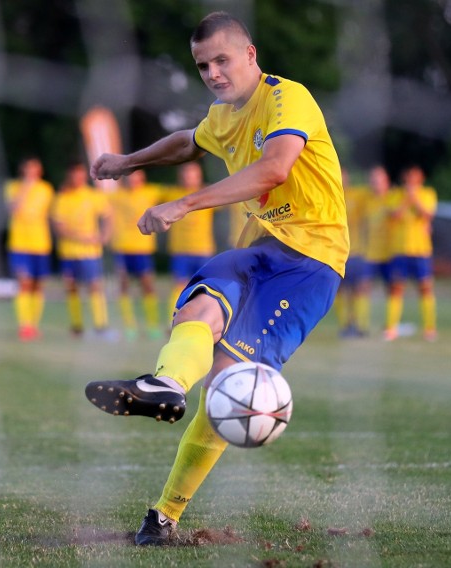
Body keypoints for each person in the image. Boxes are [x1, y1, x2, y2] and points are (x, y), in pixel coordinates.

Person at [84, 11, 349, 546]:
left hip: (312, 262)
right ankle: (165, 384)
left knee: (227, 383)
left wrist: (183, 204)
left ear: (250, 55)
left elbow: (275, 168)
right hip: (259, 248)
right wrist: (128, 162)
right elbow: (190, 140)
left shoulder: (286, 98)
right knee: (201, 302)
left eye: (222, 60)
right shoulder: (223, 115)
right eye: (203, 65)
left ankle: (165, 513)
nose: (213, 72)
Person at [51, 161, 115, 338]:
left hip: (90, 252)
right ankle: (76, 326)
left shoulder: (93, 196)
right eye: (74, 175)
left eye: (80, 175)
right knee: (71, 287)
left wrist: (105, 235)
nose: (77, 178)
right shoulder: (62, 198)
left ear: (84, 176)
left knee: (95, 286)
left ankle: (101, 326)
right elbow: (59, 227)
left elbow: (109, 215)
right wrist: (82, 237)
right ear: (69, 176)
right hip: (68, 252)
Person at [384, 165, 438, 341]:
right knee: (396, 288)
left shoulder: (428, 194)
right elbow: (394, 216)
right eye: (408, 178)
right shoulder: (395, 195)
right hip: (400, 249)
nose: (411, 181)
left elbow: (428, 215)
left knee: (425, 288)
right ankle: (391, 328)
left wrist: (414, 199)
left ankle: (430, 328)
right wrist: (407, 199)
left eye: (415, 178)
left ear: (421, 179)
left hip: (421, 250)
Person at [109, 169, 163, 340]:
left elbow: (175, 195)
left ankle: (152, 324)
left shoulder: (152, 192)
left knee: (147, 285)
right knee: (123, 285)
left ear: (142, 178)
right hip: (122, 247)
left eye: (136, 176)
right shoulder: (116, 196)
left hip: (143, 248)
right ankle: (129, 325)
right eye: (130, 176)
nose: (133, 180)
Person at [4, 156, 54, 341]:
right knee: (23, 282)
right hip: (19, 243)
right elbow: (14, 209)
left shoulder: (46, 189)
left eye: (35, 169)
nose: (31, 173)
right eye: (28, 169)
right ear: (23, 170)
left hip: (40, 243)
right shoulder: (12, 187)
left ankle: (34, 324)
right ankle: (24, 325)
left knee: (37, 285)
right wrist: (26, 186)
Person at [162, 161, 216, 316]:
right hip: (180, 250)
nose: (190, 179)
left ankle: (203, 320)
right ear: (181, 176)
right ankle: (173, 319)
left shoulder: (208, 194)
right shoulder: (171, 195)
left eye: (193, 175)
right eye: (187, 175)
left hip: (203, 250)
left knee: (205, 288)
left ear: (199, 177)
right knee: (179, 286)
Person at [335, 168, 370, 337]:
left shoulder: (357, 195)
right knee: (340, 290)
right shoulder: (329, 196)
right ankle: (345, 325)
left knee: (361, 288)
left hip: (356, 251)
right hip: (336, 252)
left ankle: (360, 325)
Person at [361, 165, 394, 334]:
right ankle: (363, 326)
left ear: (386, 181)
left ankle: (390, 326)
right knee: (364, 286)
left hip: (390, 253)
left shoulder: (393, 198)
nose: (374, 183)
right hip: (371, 253)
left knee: (393, 288)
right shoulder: (367, 200)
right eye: (372, 180)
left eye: (378, 180)